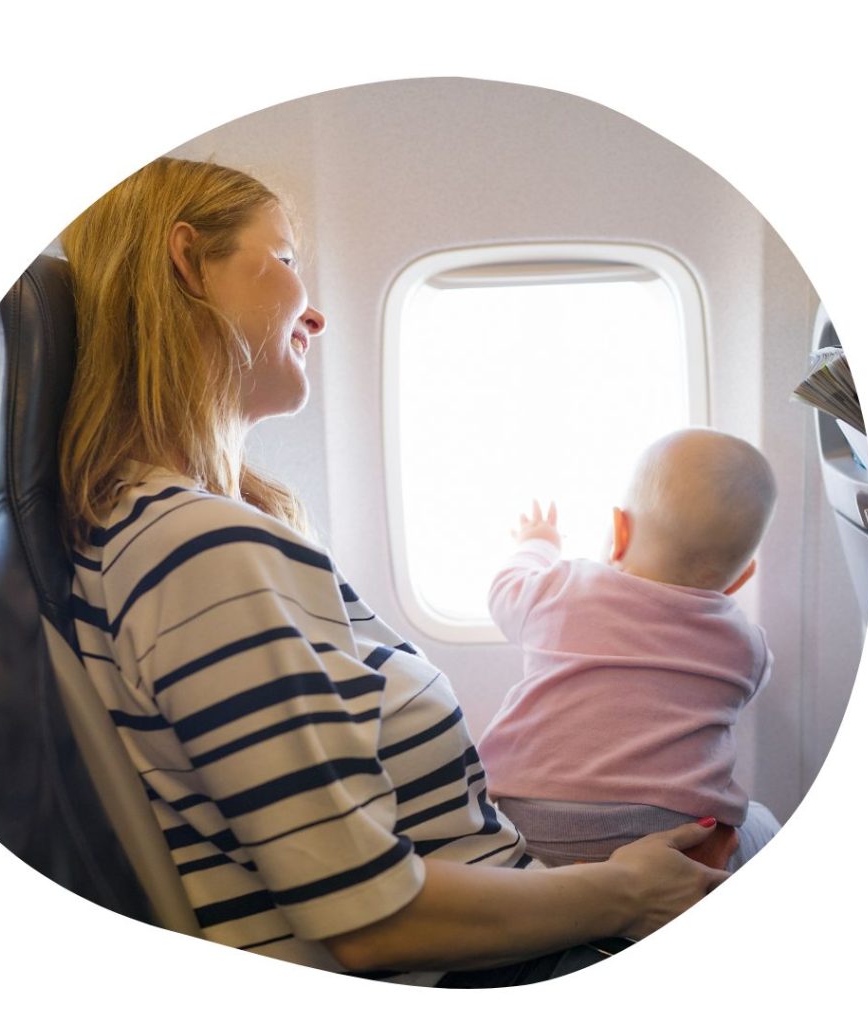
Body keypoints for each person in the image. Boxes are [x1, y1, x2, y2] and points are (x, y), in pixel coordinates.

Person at [58, 156, 730, 987]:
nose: (318, 314)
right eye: (288, 261)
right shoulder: (200, 551)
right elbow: (370, 921)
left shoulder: (176, 530)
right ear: (188, 263)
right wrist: (626, 892)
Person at [479, 430, 781, 873]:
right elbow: (746, 690)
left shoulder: (562, 587)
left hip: (527, 825)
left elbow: (503, 590)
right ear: (740, 578)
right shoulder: (747, 646)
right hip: (675, 840)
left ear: (619, 532)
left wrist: (537, 543)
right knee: (764, 823)